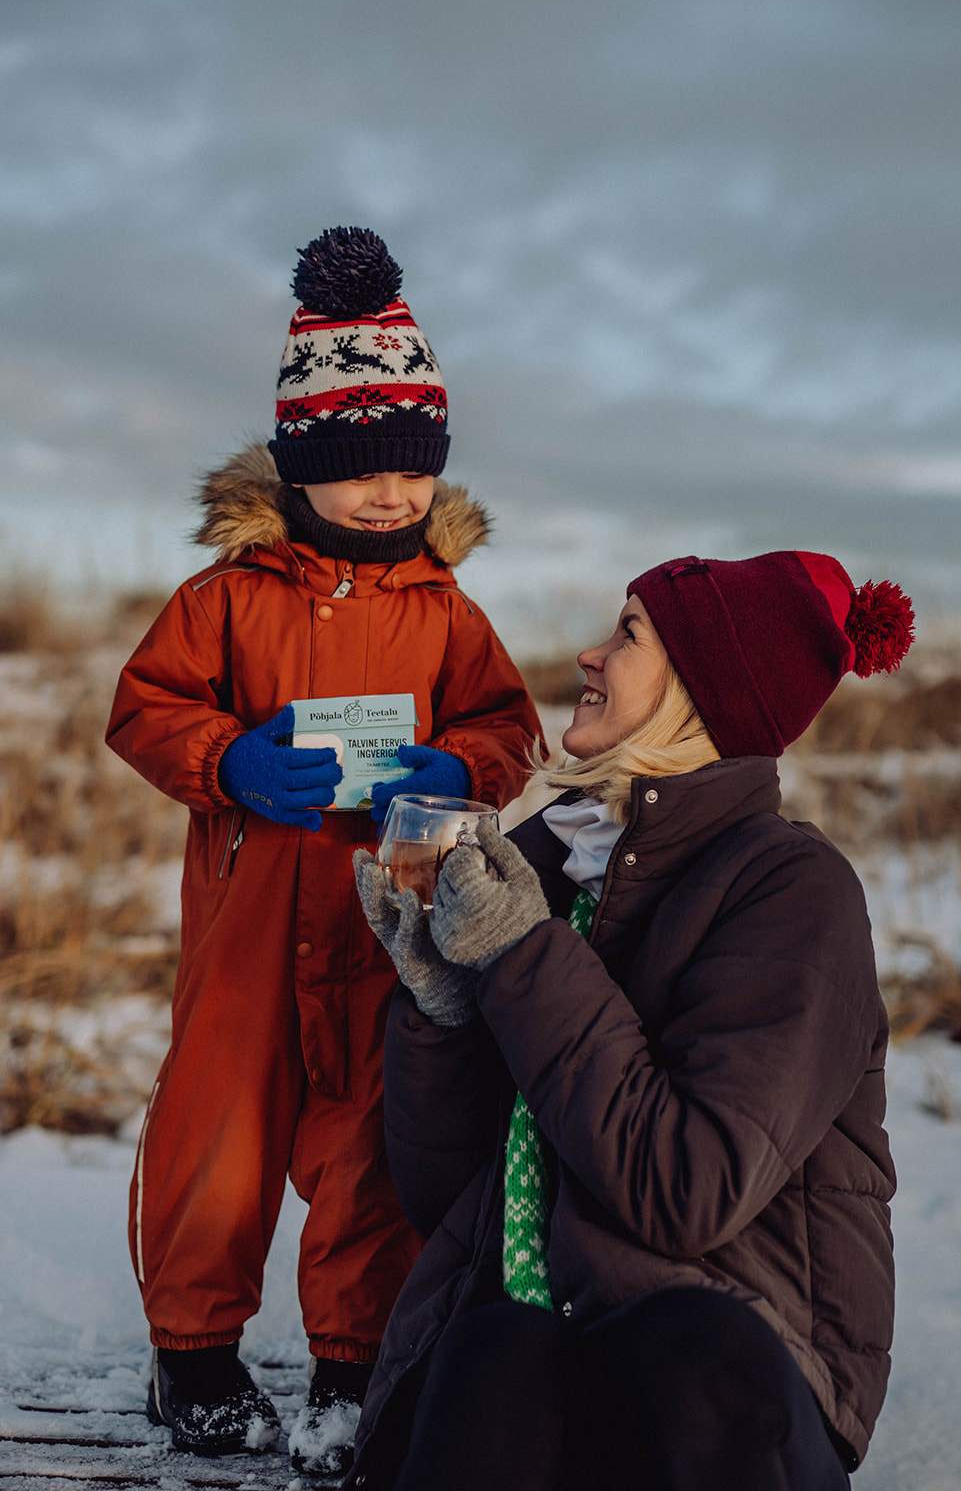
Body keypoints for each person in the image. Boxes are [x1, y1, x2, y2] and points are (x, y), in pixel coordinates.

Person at [106, 226, 542, 1474]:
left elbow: (506, 728)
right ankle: (191, 1355)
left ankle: (352, 1372)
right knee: (216, 1142)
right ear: (300, 469)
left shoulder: (451, 614)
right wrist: (228, 759)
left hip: (380, 931)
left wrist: (458, 769)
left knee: (369, 1150)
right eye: (360, 473)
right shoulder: (224, 598)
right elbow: (144, 706)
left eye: (411, 472)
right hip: (246, 936)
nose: (390, 497)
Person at [351, 549, 913, 1491]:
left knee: (680, 1339)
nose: (590, 655)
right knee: (491, 1347)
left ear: (704, 688)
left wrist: (522, 961)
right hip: (536, 1345)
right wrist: (441, 1012)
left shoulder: (789, 889)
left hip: (724, 1375)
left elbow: (686, 1190)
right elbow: (446, 1198)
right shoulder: (537, 865)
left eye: (630, 633)